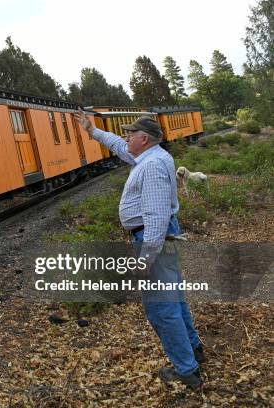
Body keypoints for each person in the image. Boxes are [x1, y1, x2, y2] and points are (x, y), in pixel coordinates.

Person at [76, 111, 205, 389]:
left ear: (143, 139)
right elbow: (119, 147)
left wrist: (146, 258)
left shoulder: (153, 165)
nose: (126, 138)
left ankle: (187, 370)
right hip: (157, 236)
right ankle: (193, 351)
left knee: (161, 307)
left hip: (152, 238)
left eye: (130, 134)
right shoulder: (149, 156)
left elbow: (157, 217)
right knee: (174, 298)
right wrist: (92, 130)